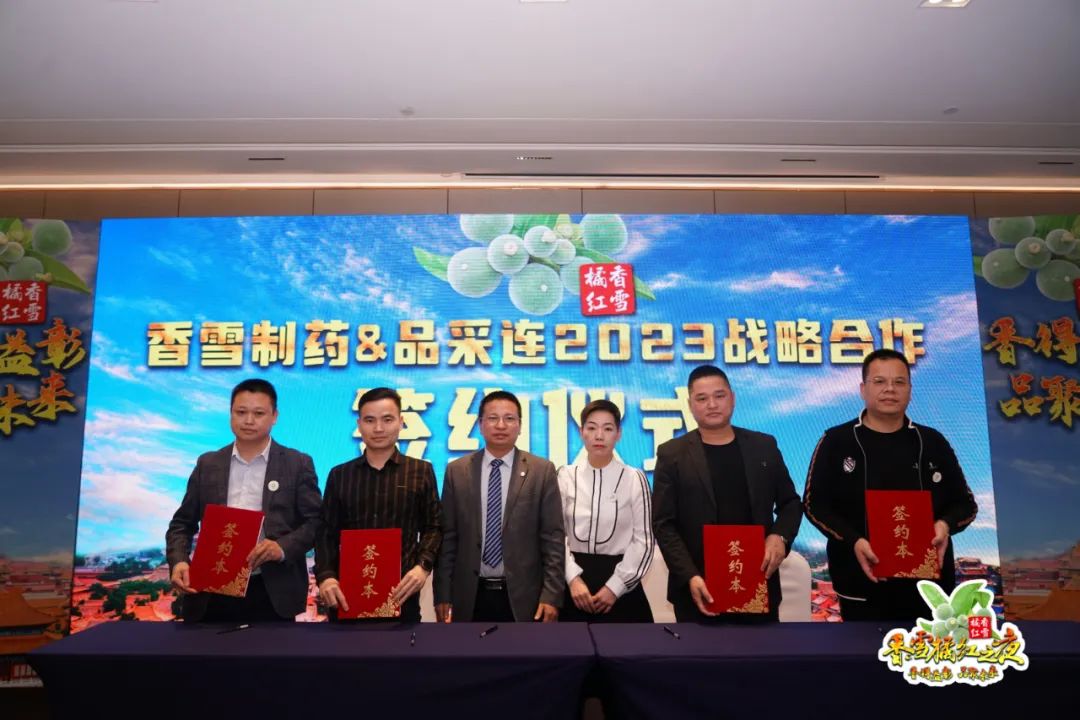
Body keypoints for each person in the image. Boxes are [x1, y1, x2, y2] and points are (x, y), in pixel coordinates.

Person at [803, 348, 978, 623]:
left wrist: (944, 525)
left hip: (928, 586)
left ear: (910, 390)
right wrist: (854, 540)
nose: (890, 389)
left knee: (926, 650)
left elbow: (966, 504)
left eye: (899, 382)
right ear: (863, 389)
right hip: (859, 582)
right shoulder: (836, 441)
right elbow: (814, 505)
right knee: (861, 650)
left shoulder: (932, 442)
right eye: (879, 381)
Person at [653, 365, 802, 623]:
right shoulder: (672, 454)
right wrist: (689, 575)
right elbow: (663, 524)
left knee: (761, 650)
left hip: (757, 583)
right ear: (690, 405)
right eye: (702, 398)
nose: (712, 404)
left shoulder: (763, 446)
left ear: (732, 398)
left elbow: (790, 503)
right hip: (698, 589)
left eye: (719, 396)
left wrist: (780, 536)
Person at [166, 378, 321, 622]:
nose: (249, 420)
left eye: (258, 413)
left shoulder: (297, 463)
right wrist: (179, 562)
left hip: (271, 591)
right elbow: (182, 524)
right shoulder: (208, 464)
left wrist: (282, 547)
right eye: (241, 412)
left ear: (274, 416)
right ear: (230, 414)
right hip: (211, 589)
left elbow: (317, 522)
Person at [313, 387, 442, 622]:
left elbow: (434, 526)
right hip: (346, 596)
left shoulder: (421, 471)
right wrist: (326, 576)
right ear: (359, 424)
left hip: (402, 596)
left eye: (387, 419)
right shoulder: (340, 475)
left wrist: (422, 567)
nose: (379, 428)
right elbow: (325, 532)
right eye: (370, 420)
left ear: (401, 422)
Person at [434, 390, 564, 623]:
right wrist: (442, 593)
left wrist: (552, 595)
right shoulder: (457, 471)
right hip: (469, 595)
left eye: (509, 418)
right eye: (493, 418)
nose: (501, 425)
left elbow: (552, 538)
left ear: (520, 425)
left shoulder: (541, 471)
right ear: (480, 424)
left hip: (525, 596)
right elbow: (448, 538)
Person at [559, 399, 654, 622]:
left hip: (620, 585)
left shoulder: (634, 478)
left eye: (608, 429)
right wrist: (572, 579)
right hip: (573, 586)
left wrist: (615, 587)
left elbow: (644, 541)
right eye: (592, 428)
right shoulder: (565, 475)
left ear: (618, 434)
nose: (599, 436)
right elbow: (555, 535)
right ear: (581, 432)